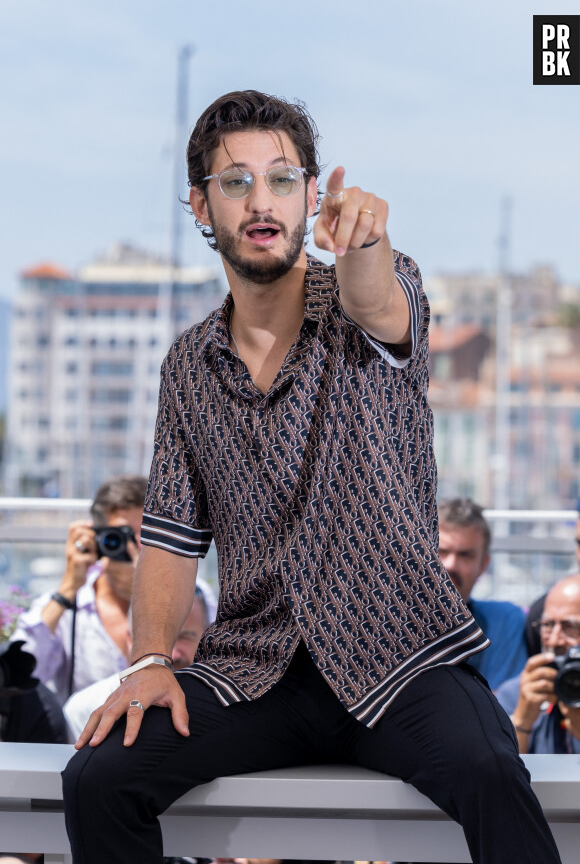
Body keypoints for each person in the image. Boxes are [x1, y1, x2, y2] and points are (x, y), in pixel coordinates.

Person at [62, 90, 561, 864]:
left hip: (402, 655)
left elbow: (379, 302)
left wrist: (364, 244)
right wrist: (153, 662)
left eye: (283, 179)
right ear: (201, 203)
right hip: (258, 669)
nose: (262, 201)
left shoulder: (375, 300)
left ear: (310, 194)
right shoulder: (189, 364)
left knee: (491, 769)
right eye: (236, 182)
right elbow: (170, 532)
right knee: (98, 778)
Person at [12, 475, 147, 702]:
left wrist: (147, 593)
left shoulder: (188, 596)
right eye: (120, 536)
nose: (136, 545)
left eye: (147, 533)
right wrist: (68, 588)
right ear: (98, 538)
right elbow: (19, 672)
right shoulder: (72, 603)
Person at [63, 582, 214, 741]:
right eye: (153, 640)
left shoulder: (226, 709)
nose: (171, 655)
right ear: (130, 640)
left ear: (207, 639)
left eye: (184, 637)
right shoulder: (82, 710)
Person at [438, 497, 528, 689]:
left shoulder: (504, 621)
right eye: (441, 551)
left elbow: (503, 706)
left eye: (465, 555)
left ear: (484, 564)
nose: (450, 565)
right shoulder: (390, 622)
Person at [496, 573, 580, 754]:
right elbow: (498, 777)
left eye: (571, 627)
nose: (555, 640)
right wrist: (521, 721)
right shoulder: (516, 693)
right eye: (548, 625)